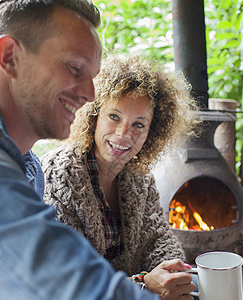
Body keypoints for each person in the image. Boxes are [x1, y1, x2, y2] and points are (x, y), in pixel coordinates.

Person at [0, 1, 158, 299]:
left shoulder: (29, 167)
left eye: (92, 77)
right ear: (10, 57)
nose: (90, 95)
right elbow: (64, 284)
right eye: (75, 68)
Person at [41, 54, 200, 299]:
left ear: (151, 132)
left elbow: (159, 239)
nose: (123, 134)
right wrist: (143, 284)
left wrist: (170, 273)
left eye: (139, 124)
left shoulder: (140, 178)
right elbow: (69, 278)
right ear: (94, 116)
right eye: (114, 117)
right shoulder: (59, 177)